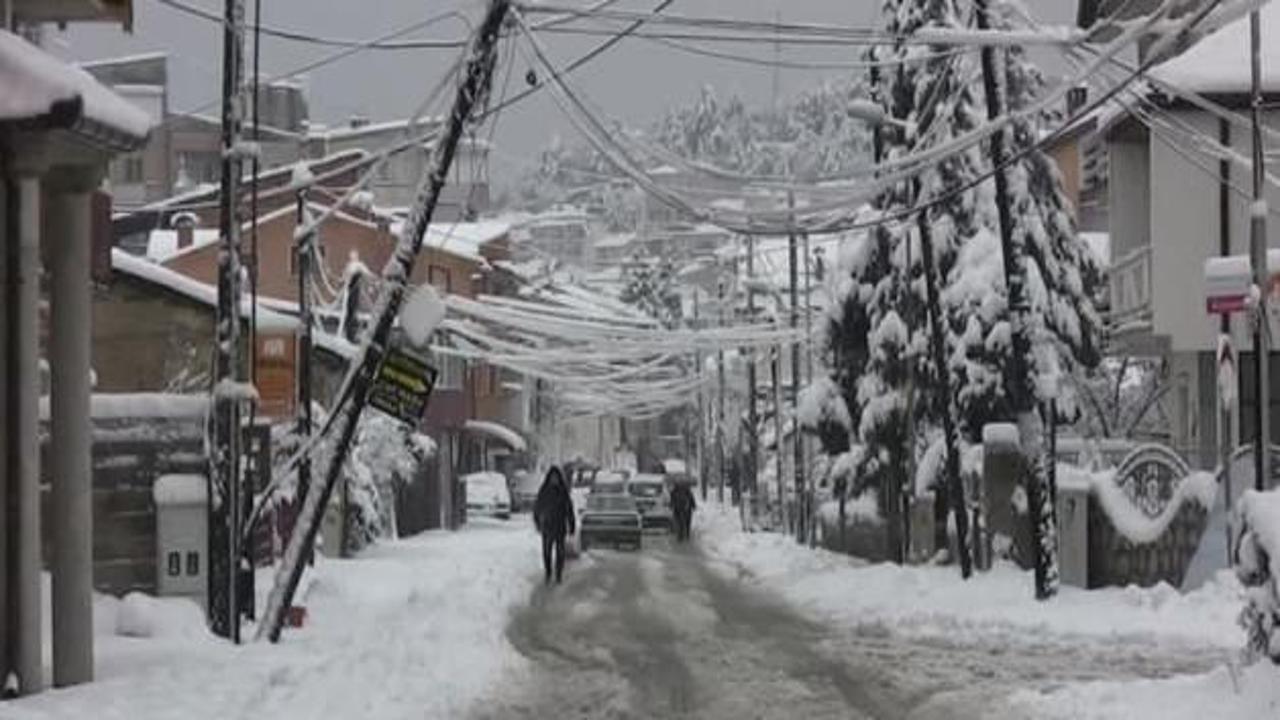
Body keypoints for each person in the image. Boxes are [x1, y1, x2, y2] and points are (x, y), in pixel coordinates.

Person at [533, 466, 575, 585]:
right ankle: (548, 572)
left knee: (560, 552)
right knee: (547, 551)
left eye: (556, 478)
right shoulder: (544, 491)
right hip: (547, 526)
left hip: (560, 526)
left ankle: (558, 574)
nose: (554, 480)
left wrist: (571, 525)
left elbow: (569, 509)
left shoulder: (563, 491)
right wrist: (537, 521)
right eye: (552, 478)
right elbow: (537, 507)